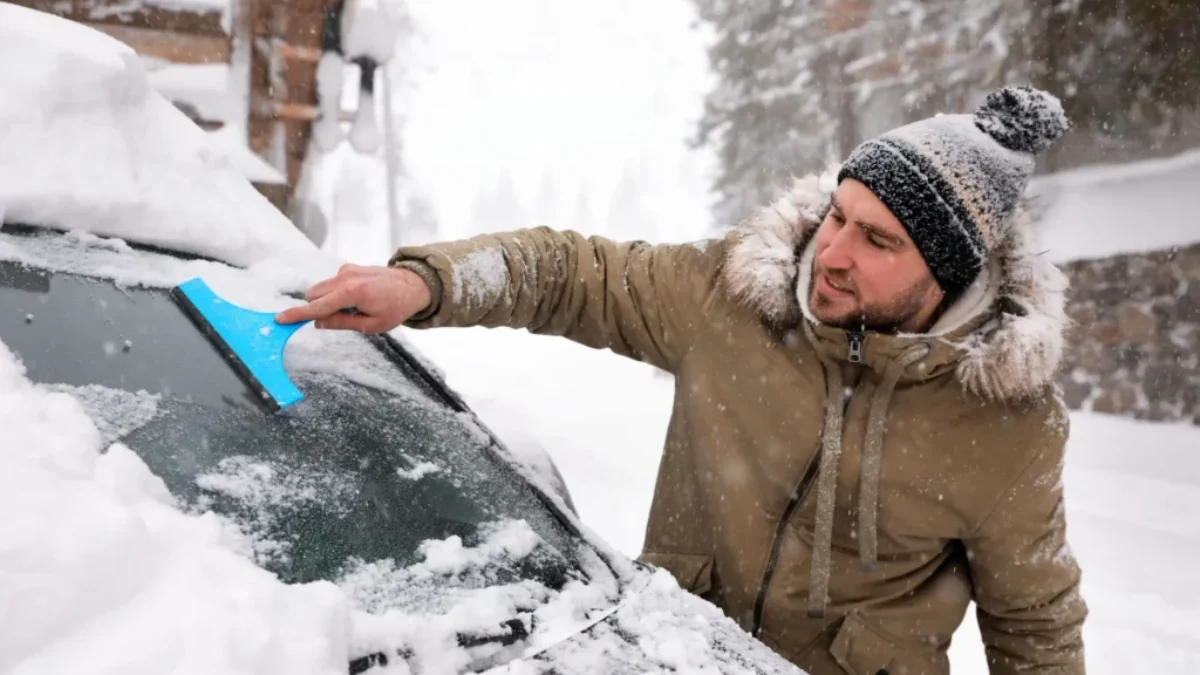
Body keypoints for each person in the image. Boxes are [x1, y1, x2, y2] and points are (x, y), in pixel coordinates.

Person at [277, 85, 1088, 674]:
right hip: (665, 657)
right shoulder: (735, 297)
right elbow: (572, 274)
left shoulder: (1005, 420)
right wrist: (429, 284)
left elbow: (1034, 623)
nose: (834, 254)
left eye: (879, 242)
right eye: (838, 215)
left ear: (949, 272)